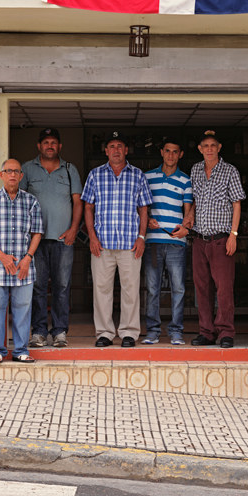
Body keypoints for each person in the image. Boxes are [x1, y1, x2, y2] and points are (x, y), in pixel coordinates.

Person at [80, 131, 152, 348]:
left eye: (120, 146)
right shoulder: (95, 175)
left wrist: (141, 237)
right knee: (101, 289)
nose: (116, 150)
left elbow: (144, 209)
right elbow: (88, 207)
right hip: (102, 244)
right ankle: (104, 333)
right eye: (112, 146)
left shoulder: (138, 175)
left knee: (131, 289)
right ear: (106, 151)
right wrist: (92, 237)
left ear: (126, 150)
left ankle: (129, 332)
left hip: (130, 244)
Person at [0, 159, 44, 364]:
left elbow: (37, 232)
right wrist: (2, 256)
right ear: (1, 175)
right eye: (8, 171)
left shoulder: (31, 201)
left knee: (23, 309)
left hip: (24, 268)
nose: (12, 174)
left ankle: (21, 350)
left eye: (16, 171)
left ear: (21, 176)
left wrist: (27, 258)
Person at [19, 127, 83, 349]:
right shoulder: (27, 169)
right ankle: (38, 332)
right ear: (39, 146)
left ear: (60, 146)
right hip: (34, 240)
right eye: (45, 142)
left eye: (53, 142)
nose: (49, 146)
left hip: (63, 239)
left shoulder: (69, 170)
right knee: (36, 286)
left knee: (62, 286)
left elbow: (78, 202)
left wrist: (74, 228)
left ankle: (59, 332)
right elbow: (20, 202)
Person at [187, 129, 246, 349]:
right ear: (200, 149)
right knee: (202, 288)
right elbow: (194, 199)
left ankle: (226, 332)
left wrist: (234, 234)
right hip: (199, 239)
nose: (209, 149)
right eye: (205, 146)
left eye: (213, 146)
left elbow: (237, 203)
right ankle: (206, 332)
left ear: (219, 148)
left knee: (224, 288)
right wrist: (191, 214)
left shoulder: (230, 170)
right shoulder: (195, 170)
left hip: (221, 239)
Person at [141, 138, 193, 345]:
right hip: (153, 242)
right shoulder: (147, 177)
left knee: (178, 288)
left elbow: (188, 212)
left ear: (180, 155)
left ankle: (176, 332)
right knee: (152, 289)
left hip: (176, 243)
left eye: (175, 152)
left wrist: (186, 228)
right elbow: (141, 207)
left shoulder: (185, 180)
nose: (171, 155)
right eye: (167, 151)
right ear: (161, 152)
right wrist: (147, 219)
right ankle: (153, 331)